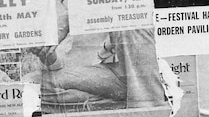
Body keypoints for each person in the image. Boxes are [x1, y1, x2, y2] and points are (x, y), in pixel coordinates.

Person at [31, 28, 167, 112]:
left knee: (133, 24)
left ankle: (142, 109)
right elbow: (58, 60)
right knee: (31, 84)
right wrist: (49, 56)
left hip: (144, 72)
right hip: (104, 74)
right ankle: (117, 106)